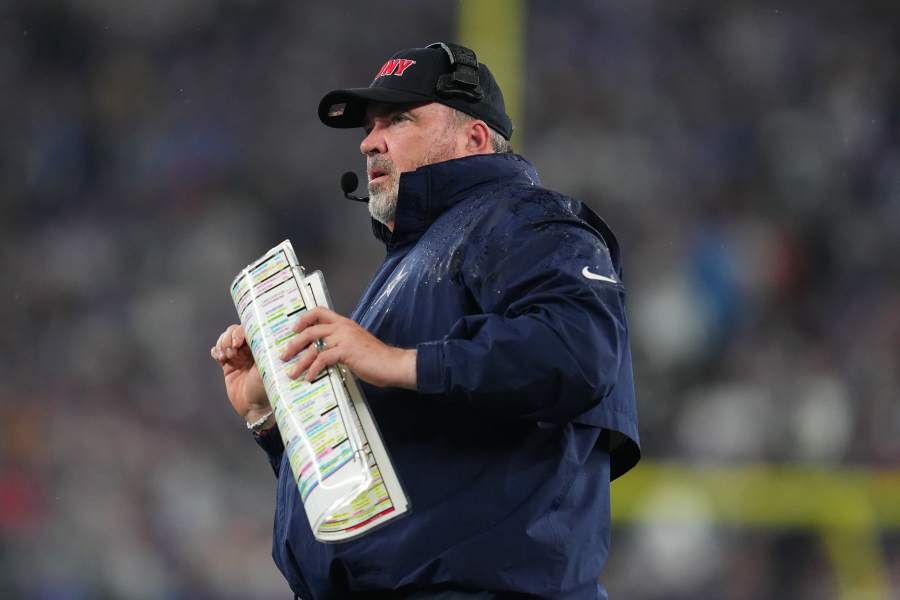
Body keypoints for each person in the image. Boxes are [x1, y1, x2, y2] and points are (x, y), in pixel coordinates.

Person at [211, 42, 640, 599]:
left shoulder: (524, 218)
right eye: (369, 125)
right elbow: (379, 491)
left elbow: (578, 352)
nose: (369, 141)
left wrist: (399, 361)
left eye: (399, 118)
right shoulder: (414, 264)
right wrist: (269, 420)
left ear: (475, 138)